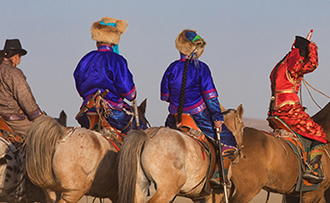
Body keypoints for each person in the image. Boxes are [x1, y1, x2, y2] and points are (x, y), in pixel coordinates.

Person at [161, 29, 236, 187]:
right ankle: (219, 176)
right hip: (198, 116)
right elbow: (210, 97)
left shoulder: (171, 68)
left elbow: (165, 96)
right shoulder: (201, 68)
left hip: (175, 117)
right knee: (229, 141)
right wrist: (217, 117)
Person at [268, 34, 328, 184]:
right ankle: (313, 168)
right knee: (319, 132)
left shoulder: (281, 63)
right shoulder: (295, 63)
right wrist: (312, 49)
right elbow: (312, 64)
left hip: (274, 109)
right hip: (289, 110)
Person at [74, 17, 146, 133]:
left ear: (97, 39)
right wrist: (133, 93)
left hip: (87, 113)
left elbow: (80, 87)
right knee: (142, 134)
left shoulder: (85, 60)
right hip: (112, 114)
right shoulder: (117, 60)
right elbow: (129, 94)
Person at [0, 38, 43, 141]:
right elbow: (26, 101)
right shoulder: (14, 72)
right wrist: (40, 117)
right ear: (16, 56)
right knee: (44, 135)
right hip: (13, 122)